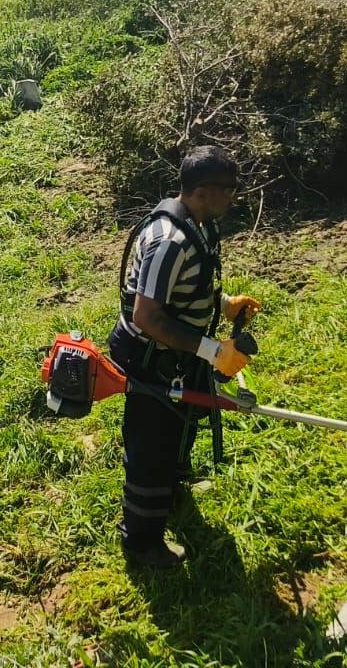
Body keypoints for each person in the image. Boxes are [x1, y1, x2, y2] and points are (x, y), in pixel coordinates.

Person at [107, 146, 259, 569]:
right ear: (201, 192)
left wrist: (224, 304)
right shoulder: (167, 242)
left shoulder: (202, 225)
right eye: (228, 190)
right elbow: (147, 315)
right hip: (151, 358)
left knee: (179, 433)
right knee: (150, 451)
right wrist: (212, 350)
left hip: (180, 357)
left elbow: (190, 287)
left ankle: (171, 493)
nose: (234, 197)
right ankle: (141, 544)